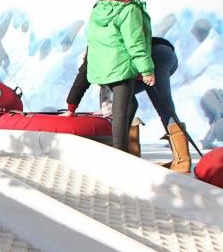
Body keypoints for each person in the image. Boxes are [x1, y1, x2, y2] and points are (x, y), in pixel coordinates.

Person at [66, 38, 189, 170]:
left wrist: (71, 108)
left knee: (163, 106)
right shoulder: (106, 54)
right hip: (155, 56)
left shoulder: (95, 55)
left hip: (154, 57)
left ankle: (183, 161)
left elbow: (82, 78)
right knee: (124, 99)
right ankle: (131, 150)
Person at [85, 0, 155, 155]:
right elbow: (135, 41)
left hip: (103, 66)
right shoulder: (129, 8)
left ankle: (116, 147)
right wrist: (146, 69)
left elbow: (93, 38)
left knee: (131, 105)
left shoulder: (101, 5)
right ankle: (119, 154)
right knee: (121, 112)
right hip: (122, 66)